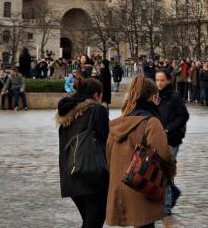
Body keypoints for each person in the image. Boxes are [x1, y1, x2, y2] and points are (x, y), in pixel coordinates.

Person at [106, 76, 176, 228]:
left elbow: (108, 156)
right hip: (142, 185)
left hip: (120, 184)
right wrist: (171, 171)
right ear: (153, 97)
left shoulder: (118, 123)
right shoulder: (151, 122)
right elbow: (164, 154)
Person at [56, 76, 109, 228]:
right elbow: (106, 140)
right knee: (94, 221)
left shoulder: (66, 110)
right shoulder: (96, 109)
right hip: (91, 173)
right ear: (96, 95)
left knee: (89, 220)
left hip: (70, 173)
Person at [156, 70, 189, 216]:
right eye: (157, 80)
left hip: (171, 139)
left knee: (166, 172)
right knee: (159, 171)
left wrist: (168, 129)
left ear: (169, 80)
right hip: (156, 138)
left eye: (162, 80)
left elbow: (183, 115)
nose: (159, 83)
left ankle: (167, 206)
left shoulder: (174, 96)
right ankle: (171, 194)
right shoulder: (155, 96)